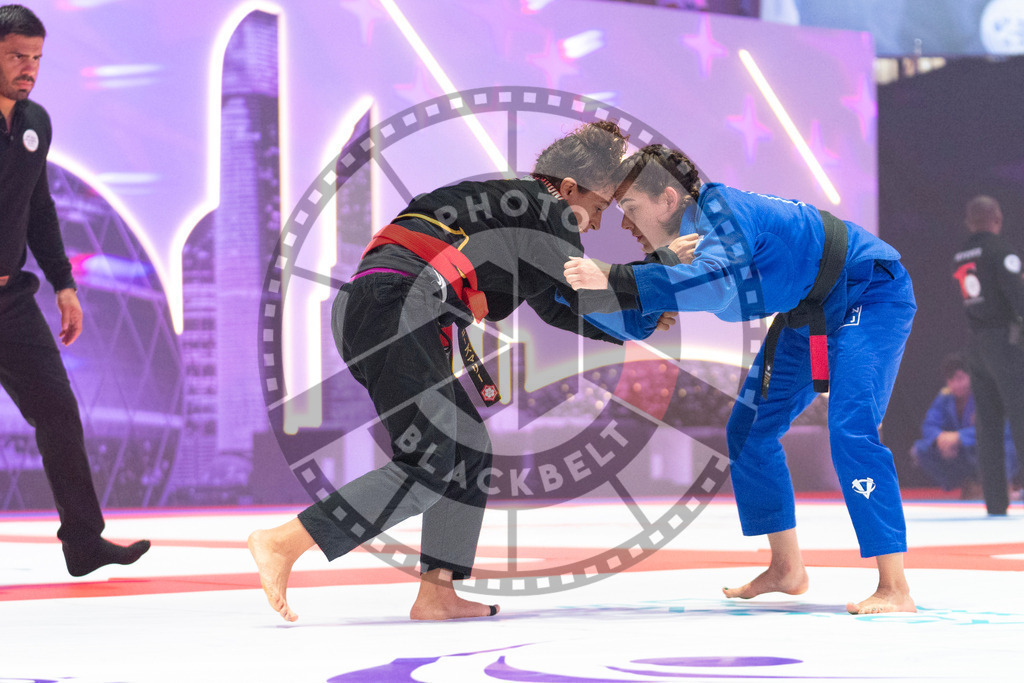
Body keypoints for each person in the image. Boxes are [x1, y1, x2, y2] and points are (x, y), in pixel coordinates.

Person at [248, 121, 649, 622]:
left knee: (468, 450)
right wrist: (657, 287)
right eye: (597, 208)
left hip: (376, 309)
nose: (593, 224)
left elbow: (556, 305)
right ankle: (285, 542)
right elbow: (582, 283)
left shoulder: (509, 211)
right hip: (398, 306)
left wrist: (637, 325)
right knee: (433, 460)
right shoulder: (543, 208)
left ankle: (437, 593)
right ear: (568, 188)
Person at [564, 144, 918, 614]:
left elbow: (712, 287)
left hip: (869, 292)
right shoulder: (694, 239)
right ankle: (787, 568)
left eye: (630, 209)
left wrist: (613, 277)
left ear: (669, 200)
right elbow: (707, 289)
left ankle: (895, 588)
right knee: (749, 432)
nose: (625, 225)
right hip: (806, 312)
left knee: (850, 428)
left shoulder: (721, 213)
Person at [0, 4, 149, 576]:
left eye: (36, 57)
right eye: (16, 55)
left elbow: (39, 209)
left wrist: (65, 285)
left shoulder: (35, 122)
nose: (28, 68)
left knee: (58, 411)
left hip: (11, 297)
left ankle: (84, 542)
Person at [952, 195, 1024, 515]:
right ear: (997, 217)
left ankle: (995, 502)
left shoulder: (961, 255)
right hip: (1005, 343)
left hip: (977, 345)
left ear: (970, 222)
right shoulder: (1001, 252)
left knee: (989, 425)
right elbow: (1018, 300)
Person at [911, 354, 1017, 497]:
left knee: (1005, 446)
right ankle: (967, 484)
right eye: (951, 379)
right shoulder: (945, 397)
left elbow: (999, 428)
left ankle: (1003, 486)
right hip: (962, 453)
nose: (955, 384)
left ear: (970, 376)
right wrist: (940, 439)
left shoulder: (985, 393)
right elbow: (929, 425)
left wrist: (959, 437)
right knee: (920, 449)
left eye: (960, 378)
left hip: (986, 448)